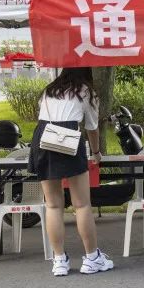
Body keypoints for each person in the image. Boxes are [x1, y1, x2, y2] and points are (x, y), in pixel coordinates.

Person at [29, 67, 113, 276]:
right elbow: (92, 128)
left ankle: (59, 261)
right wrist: (96, 153)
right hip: (69, 138)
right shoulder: (86, 91)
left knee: (53, 204)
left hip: (44, 137)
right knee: (82, 204)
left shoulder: (49, 90)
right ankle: (92, 258)